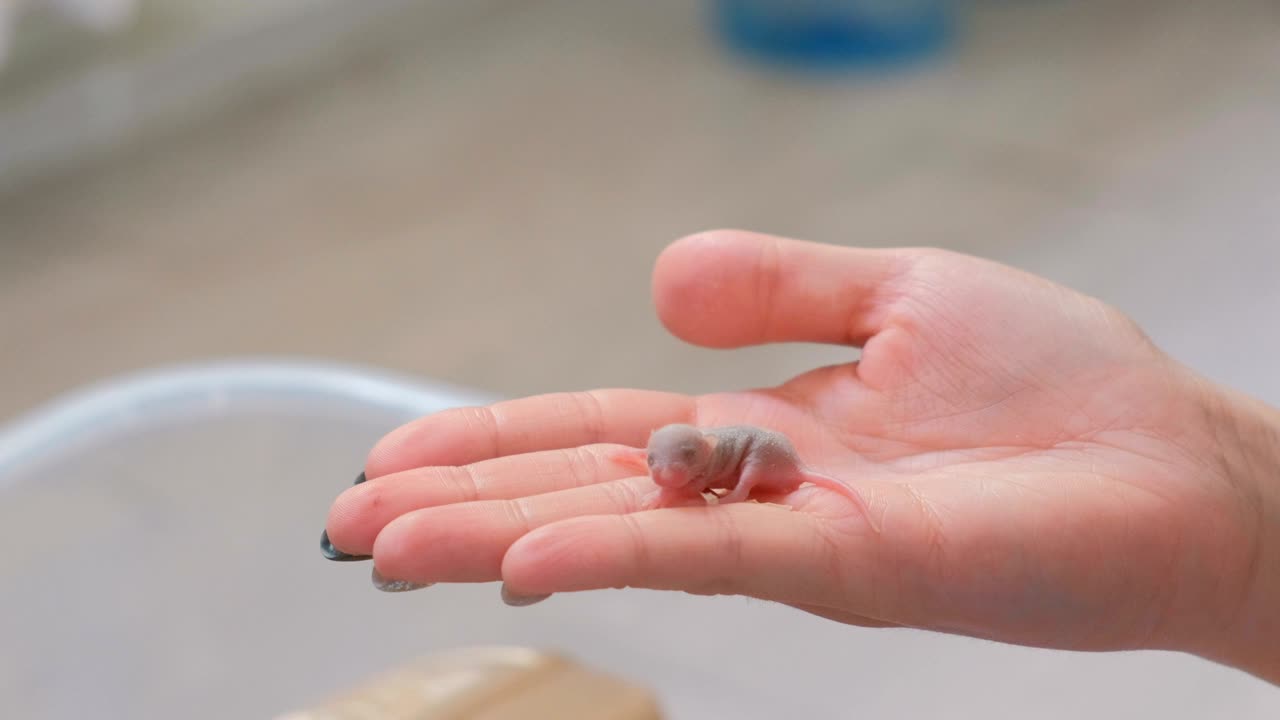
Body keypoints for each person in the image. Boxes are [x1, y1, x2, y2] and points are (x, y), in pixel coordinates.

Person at [322, 229, 1280, 685]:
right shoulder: (682, 464)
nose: (665, 478)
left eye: (678, 464)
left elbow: (744, 474)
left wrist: (1240, 526)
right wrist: (1238, 507)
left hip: (774, 468)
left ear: (698, 457)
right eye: (664, 467)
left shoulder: (730, 461)